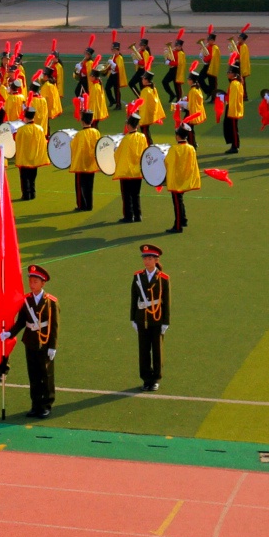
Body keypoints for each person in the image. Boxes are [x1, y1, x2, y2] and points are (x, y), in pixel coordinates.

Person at [0, 265, 60, 419]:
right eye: (30, 281)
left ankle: (46, 405)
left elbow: (54, 326)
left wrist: (53, 346)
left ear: (42, 283)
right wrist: (9, 333)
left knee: (46, 375)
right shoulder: (26, 300)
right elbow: (21, 321)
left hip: (45, 343)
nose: (32, 284)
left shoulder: (51, 302)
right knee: (33, 375)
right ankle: (35, 405)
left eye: (35, 281)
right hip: (30, 342)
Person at [130, 244, 171, 391]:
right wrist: (133, 318)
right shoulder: (138, 277)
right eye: (145, 258)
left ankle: (156, 378)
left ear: (156, 260)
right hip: (142, 318)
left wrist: (166, 322)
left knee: (157, 350)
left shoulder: (163, 279)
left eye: (149, 258)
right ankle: (146, 378)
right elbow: (134, 298)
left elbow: (166, 301)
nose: (146, 261)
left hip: (157, 318)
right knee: (144, 349)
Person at [166, 124, 200, 233]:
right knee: (180, 200)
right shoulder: (191, 148)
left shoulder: (174, 148)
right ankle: (183, 220)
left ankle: (178, 225)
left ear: (177, 136)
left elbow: (167, 162)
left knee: (177, 202)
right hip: (185, 178)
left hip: (176, 179)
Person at [115, 115, 148, 223]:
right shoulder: (142, 137)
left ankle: (129, 216)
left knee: (126, 195)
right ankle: (138, 215)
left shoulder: (126, 139)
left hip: (126, 171)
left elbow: (118, 154)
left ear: (129, 125)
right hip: (137, 170)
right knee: (136, 194)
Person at [13, 107, 47, 201]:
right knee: (33, 176)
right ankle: (32, 192)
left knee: (24, 177)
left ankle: (26, 194)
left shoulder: (21, 129)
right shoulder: (39, 128)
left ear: (25, 116)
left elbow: (16, 140)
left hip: (24, 156)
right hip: (35, 156)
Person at [69, 111, 100, 212]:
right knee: (89, 185)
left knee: (80, 186)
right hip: (91, 162)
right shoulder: (96, 132)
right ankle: (89, 204)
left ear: (82, 121)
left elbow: (73, 147)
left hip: (81, 163)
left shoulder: (79, 134)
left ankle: (81, 205)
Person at [223, 72, 245, 154]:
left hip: (232, 108)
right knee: (231, 126)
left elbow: (233, 98)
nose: (227, 74)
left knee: (233, 127)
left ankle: (235, 146)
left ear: (233, 74)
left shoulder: (234, 83)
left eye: (229, 73)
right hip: (233, 107)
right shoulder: (236, 82)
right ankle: (234, 144)